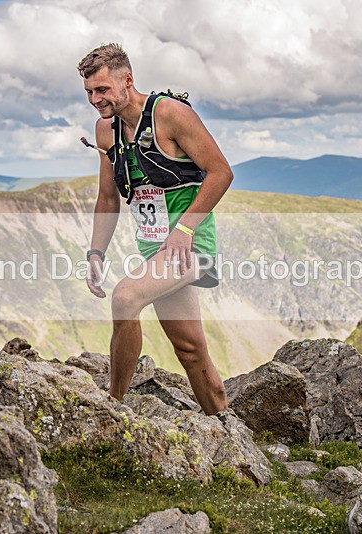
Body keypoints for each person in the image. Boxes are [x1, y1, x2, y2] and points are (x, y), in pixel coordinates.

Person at [77, 43, 232, 416]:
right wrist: (96, 252)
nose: (96, 100)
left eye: (102, 90)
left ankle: (111, 408)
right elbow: (108, 199)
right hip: (154, 250)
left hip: (191, 246)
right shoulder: (105, 131)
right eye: (89, 93)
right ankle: (226, 425)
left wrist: (186, 229)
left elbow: (221, 173)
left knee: (126, 297)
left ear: (127, 80)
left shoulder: (169, 114)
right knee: (190, 349)